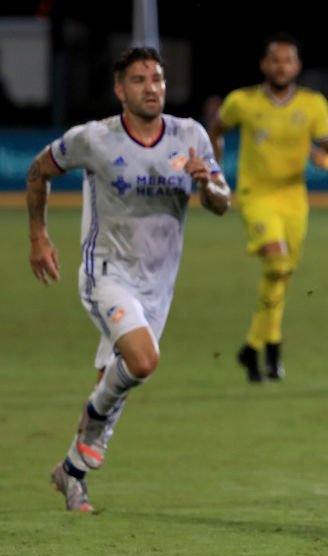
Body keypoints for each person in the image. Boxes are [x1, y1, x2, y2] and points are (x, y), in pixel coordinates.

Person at [27, 46, 230, 512]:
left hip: (159, 285)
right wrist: (39, 236)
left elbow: (223, 202)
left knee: (113, 380)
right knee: (141, 362)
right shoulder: (94, 139)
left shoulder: (189, 135)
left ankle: (71, 472)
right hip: (106, 274)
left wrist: (208, 185)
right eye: (138, 80)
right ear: (120, 90)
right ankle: (91, 427)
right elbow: (38, 170)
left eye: (157, 78)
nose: (151, 87)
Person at [207, 33, 328, 383]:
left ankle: (255, 347)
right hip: (256, 195)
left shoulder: (313, 105)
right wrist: (215, 175)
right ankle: (270, 347)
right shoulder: (242, 101)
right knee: (278, 262)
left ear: (297, 66)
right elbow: (214, 132)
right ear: (264, 65)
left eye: (288, 60)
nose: (281, 66)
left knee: (281, 274)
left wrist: (325, 161)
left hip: (294, 199)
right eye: (275, 60)